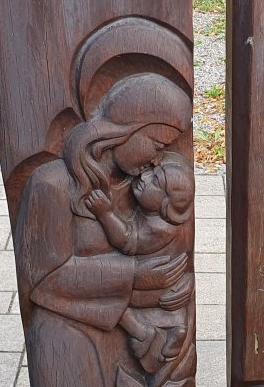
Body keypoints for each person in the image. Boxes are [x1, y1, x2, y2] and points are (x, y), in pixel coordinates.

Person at [14, 74, 195, 387]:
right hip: (69, 337)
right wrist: (134, 275)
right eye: (156, 145)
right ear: (125, 130)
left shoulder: (143, 191)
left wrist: (181, 281)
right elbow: (41, 277)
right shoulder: (52, 184)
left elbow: (172, 244)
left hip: (141, 336)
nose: (157, 159)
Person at [85, 152, 195, 374]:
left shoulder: (156, 228)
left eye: (155, 181)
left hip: (151, 287)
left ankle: (140, 333)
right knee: (173, 306)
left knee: (110, 298)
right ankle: (177, 328)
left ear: (166, 205)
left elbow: (126, 240)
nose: (145, 177)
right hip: (166, 287)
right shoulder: (173, 226)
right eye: (152, 173)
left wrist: (105, 213)